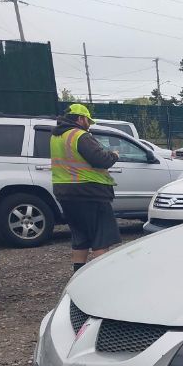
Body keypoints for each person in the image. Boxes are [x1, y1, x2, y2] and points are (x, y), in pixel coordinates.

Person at [50, 103, 121, 273]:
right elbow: (101, 160)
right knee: (100, 238)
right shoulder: (79, 135)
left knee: (80, 236)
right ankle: (102, 276)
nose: (89, 124)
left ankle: (78, 273)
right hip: (90, 193)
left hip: (65, 193)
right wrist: (114, 155)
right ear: (80, 119)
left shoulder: (56, 137)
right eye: (88, 120)